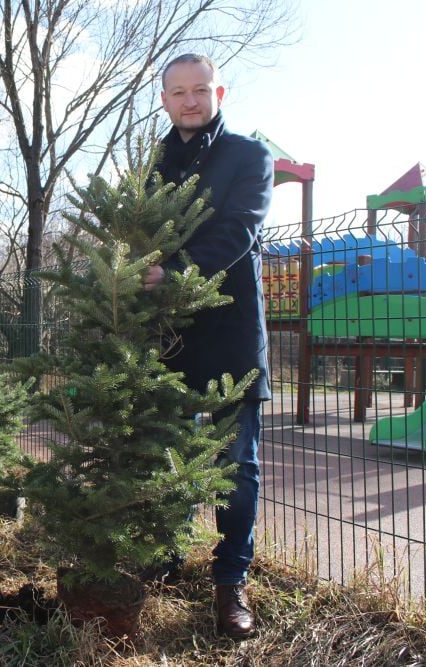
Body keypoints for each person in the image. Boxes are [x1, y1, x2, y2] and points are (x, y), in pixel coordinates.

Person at [143, 53, 273, 639]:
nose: (190, 100)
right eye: (178, 92)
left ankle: (230, 587)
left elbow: (239, 229)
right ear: (165, 99)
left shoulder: (249, 156)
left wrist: (176, 272)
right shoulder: (157, 164)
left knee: (234, 468)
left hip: (230, 334)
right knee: (165, 454)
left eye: (200, 90)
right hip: (169, 337)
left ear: (218, 91)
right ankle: (167, 557)